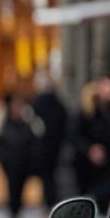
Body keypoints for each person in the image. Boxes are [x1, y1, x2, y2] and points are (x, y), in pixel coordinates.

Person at [71, 77, 110, 209]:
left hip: (109, 163)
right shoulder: (86, 111)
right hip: (87, 167)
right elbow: (75, 136)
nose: (109, 91)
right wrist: (90, 150)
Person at [0, 93, 42, 218]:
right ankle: (13, 215)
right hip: (11, 164)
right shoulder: (5, 126)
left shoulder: (26, 125)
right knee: (12, 189)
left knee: (20, 190)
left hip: (24, 164)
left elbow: (34, 142)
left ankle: (17, 214)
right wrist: (5, 161)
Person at [30, 73, 69, 208]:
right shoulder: (58, 103)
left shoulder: (37, 103)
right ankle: (52, 201)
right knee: (52, 176)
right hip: (56, 145)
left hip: (43, 147)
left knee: (47, 178)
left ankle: (48, 202)